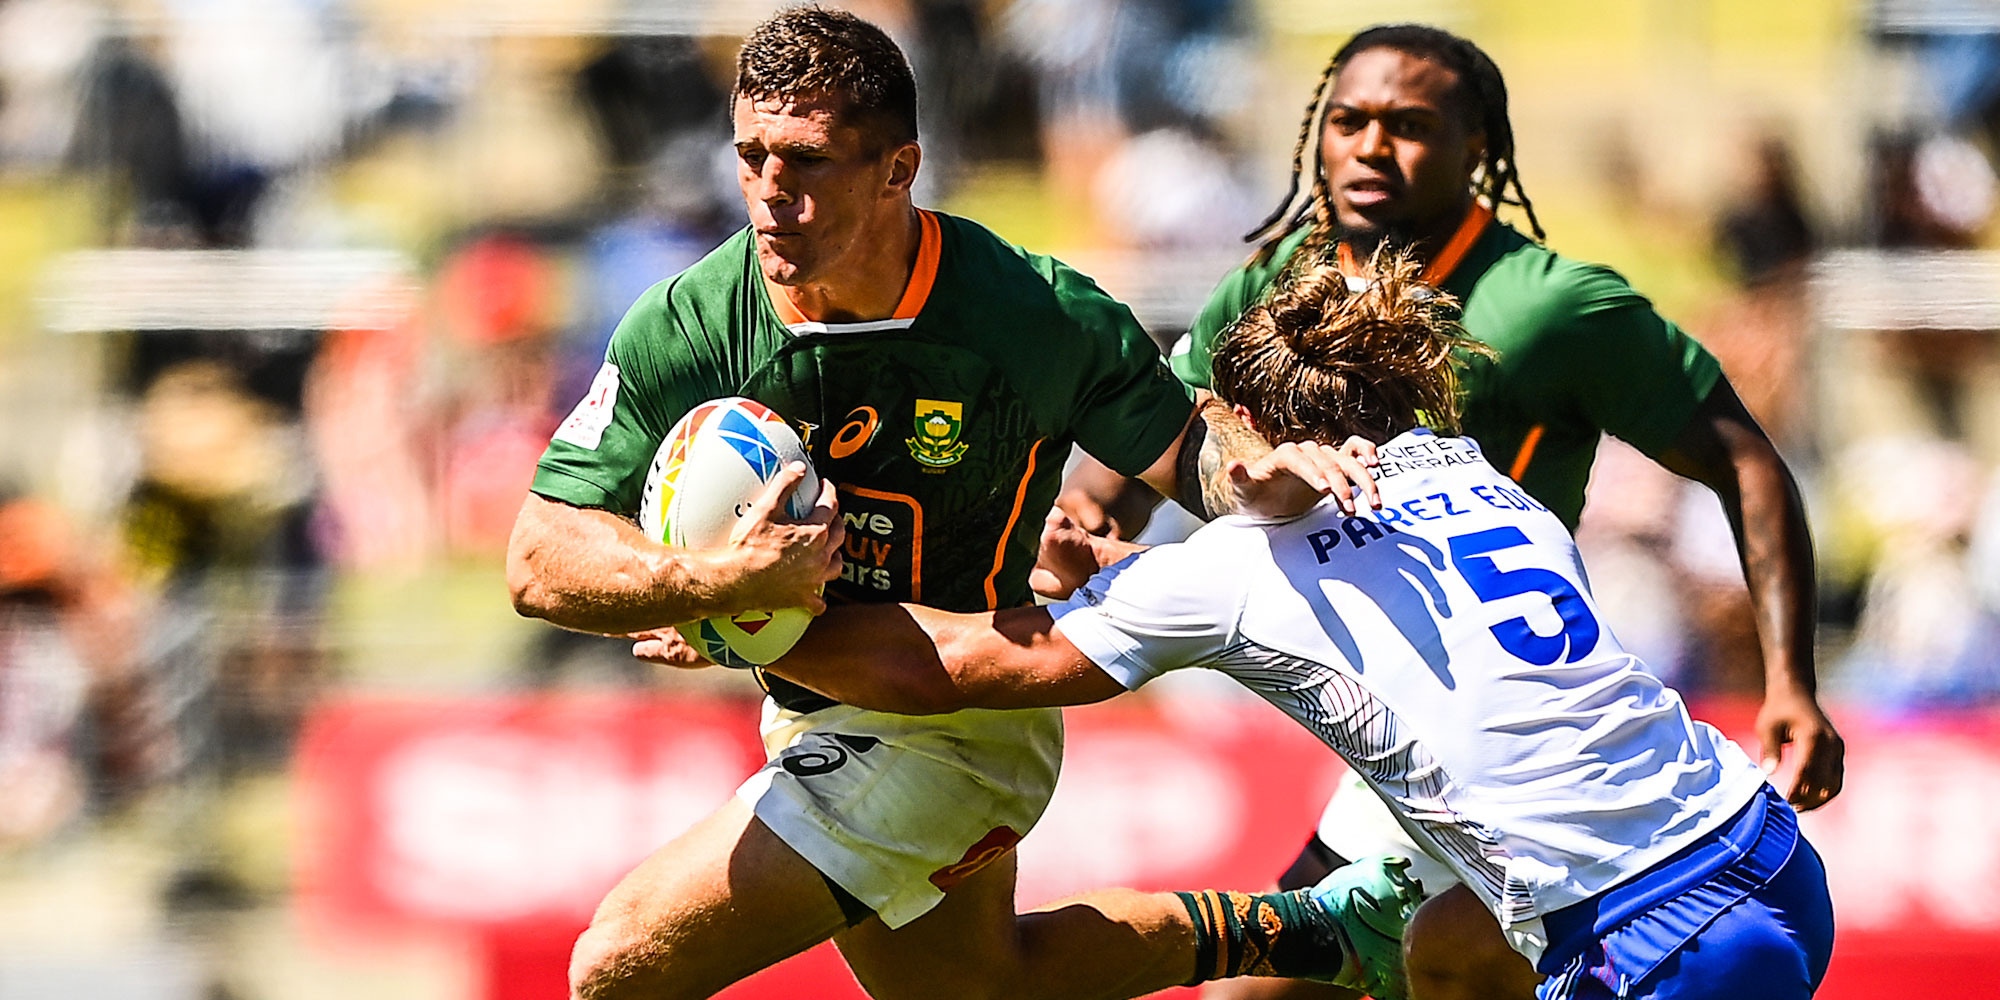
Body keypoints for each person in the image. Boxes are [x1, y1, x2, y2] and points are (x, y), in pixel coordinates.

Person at [657, 250, 1837, 1000]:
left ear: (1234, 419)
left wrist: (730, 621)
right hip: (1763, 852)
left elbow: (969, 663)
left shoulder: (1232, 563)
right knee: (1445, 951)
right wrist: (1090, 572)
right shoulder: (1489, 483)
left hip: (1655, 937)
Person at [505, 9, 1388, 1000]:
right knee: (982, 986)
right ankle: (1316, 927)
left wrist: (1257, 470)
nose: (768, 192)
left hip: (960, 718)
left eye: (807, 160)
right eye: (749, 155)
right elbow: (539, 557)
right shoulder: (693, 319)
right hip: (815, 708)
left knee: (619, 962)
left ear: (897, 168)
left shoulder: (1027, 313)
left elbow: (1185, 446)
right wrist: (713, 582)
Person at [1048, 23, 1843, 999]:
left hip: (1520, 746)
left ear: (1480, 150)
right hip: (1394, 738)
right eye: (1345, 121)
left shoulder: (1551, 309)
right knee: (1434, 960)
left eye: (1407, 124)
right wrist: (1083, 530)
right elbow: (1148, 461)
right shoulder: (1265, 296)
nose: (1368, 145)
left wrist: (1788, 681)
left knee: (1272, 989)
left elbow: (1744, 464)